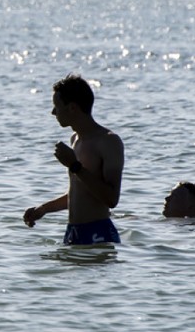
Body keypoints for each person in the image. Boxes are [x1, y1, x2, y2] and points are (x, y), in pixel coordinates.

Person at [23, 74, 124, 245]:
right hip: (73, 232)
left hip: (98, 232)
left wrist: (75, 166)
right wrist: (44, 209)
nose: (53, 112)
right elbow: (81, 192)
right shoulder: (75, 140)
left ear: (72, 108)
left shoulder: (108, 141)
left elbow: (111, 199)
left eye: (56, 106)